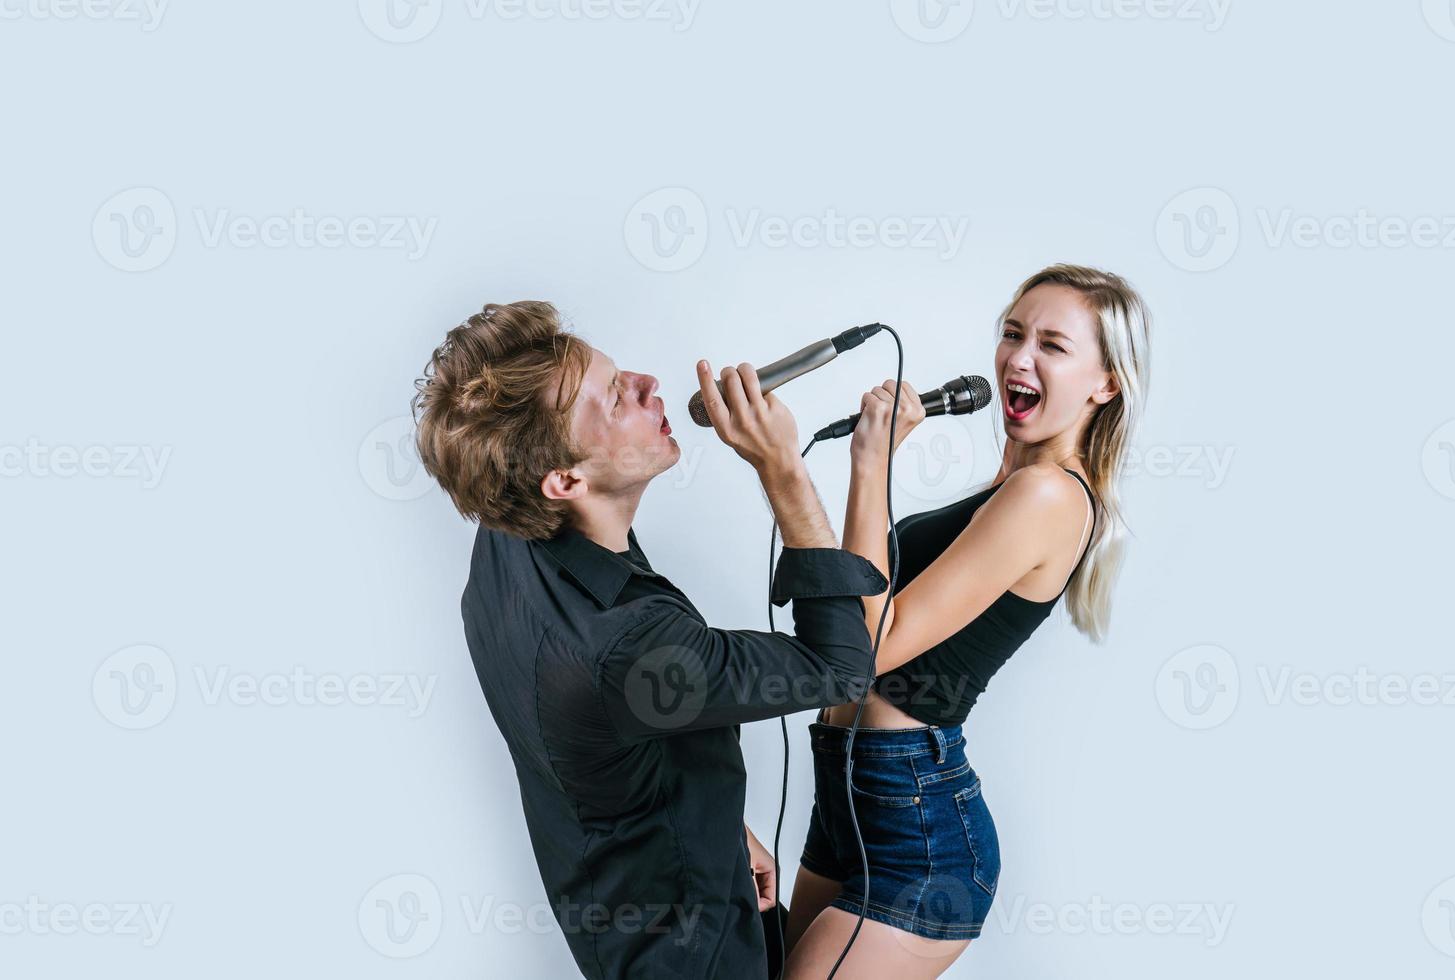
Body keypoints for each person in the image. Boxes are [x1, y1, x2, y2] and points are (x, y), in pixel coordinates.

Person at [412, 301, 889, 979]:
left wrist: (718, 828)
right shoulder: (631, 647)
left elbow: (612, 742)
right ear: (566, 481)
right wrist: (782, 470)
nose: (647, 384)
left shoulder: (507, 531)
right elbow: (840, 667)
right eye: (614, 397)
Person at [783, 264, 1154, 978]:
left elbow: (875, 640)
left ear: (1105, 382)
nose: (1020, 357)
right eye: (1013, 334)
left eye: (1053, 344)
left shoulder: (1048, 495)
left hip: (915, 829)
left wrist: (871, 463)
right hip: (849, 793)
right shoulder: (1009, 488)